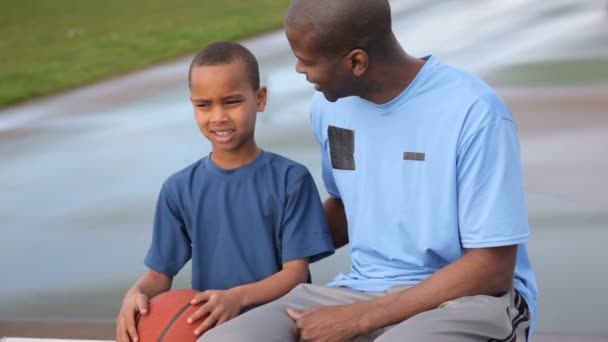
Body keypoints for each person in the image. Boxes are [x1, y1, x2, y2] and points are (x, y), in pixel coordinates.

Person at [198, 1, 538, 341]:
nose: (299, 69)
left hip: (469, 299)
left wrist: (360, 319)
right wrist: (254, 242)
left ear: (356, 61)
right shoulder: (331, 107)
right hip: (360, 288)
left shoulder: (474, 112)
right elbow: (348, 205)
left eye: (308, 60)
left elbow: (492, 267)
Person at [116, 41, 335, 342]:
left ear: (259, 99)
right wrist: (136, 293)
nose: (217, 117)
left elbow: (294, 274)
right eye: (204, 105)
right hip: (210, 328)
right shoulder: (179, 188)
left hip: (278, 324)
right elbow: (159, 275)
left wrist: (236, 298)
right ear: (192, 104)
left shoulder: (291, 179)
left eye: (231, 102)